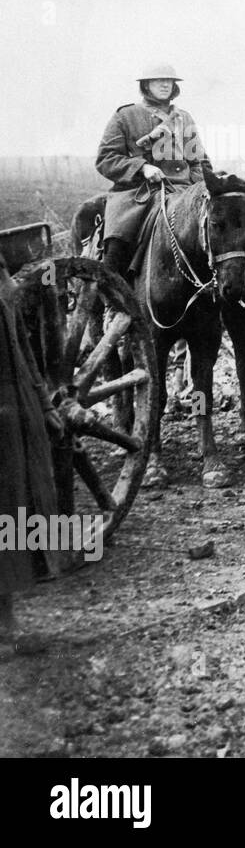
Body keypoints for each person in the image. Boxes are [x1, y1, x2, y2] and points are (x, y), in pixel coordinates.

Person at [95, 63, 213, 279]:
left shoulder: (184, 118)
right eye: (159, 80)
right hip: (137, 192)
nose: (165, 84)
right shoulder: (126, 115)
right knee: (117, 242)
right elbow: (106, 159)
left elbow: (200, 162)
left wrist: (196, 187)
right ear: (146, 85)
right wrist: (142, 167)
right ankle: (113, 302)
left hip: (182, 191)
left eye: (169, 80)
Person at [0, 258, 65, 644]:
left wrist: (44, 404)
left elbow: (23, 344)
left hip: (18, 406)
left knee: (14, 510)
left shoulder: (2, 273)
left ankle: (7, 625)